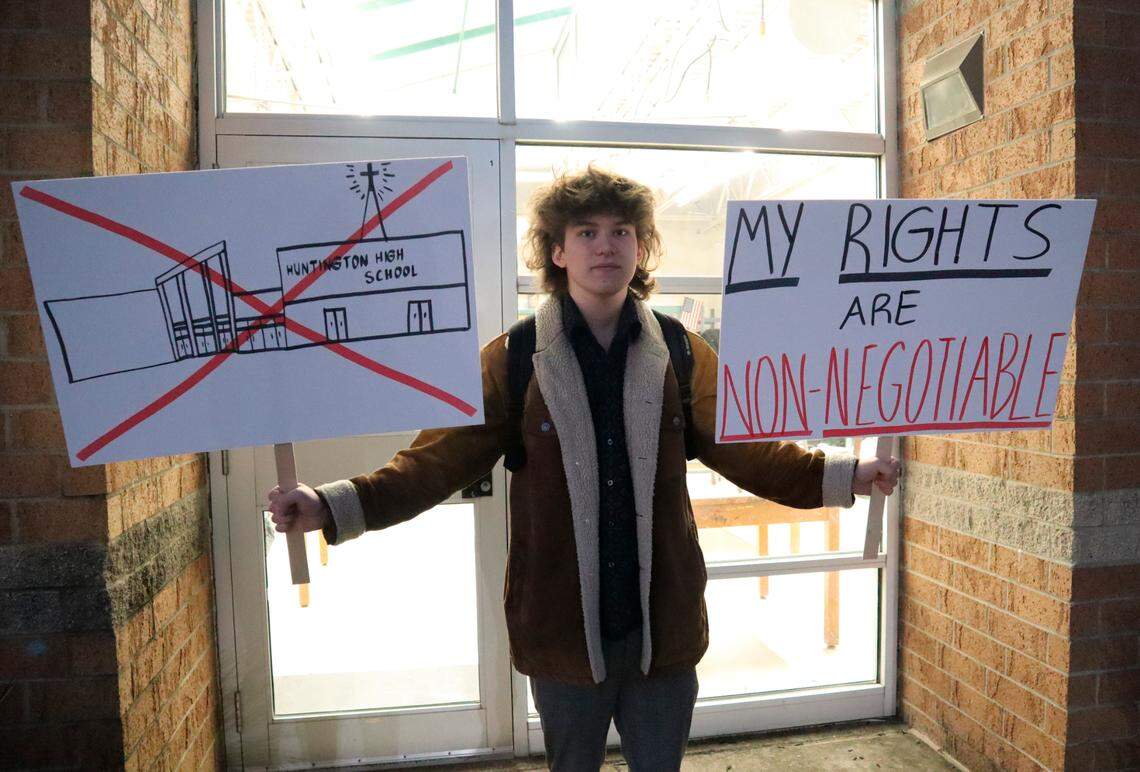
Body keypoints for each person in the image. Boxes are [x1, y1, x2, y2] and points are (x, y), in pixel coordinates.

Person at [267, 166, 901, 771]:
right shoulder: (514, 359)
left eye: (622, 232)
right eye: (587, 233)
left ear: (641, 248)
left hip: (663, 624)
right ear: (558, 252)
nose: (607, 246)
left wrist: (845, 474)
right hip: (562, 630)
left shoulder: (681, 350)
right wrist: (331, 505)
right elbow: (432, 463)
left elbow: (749, 449)